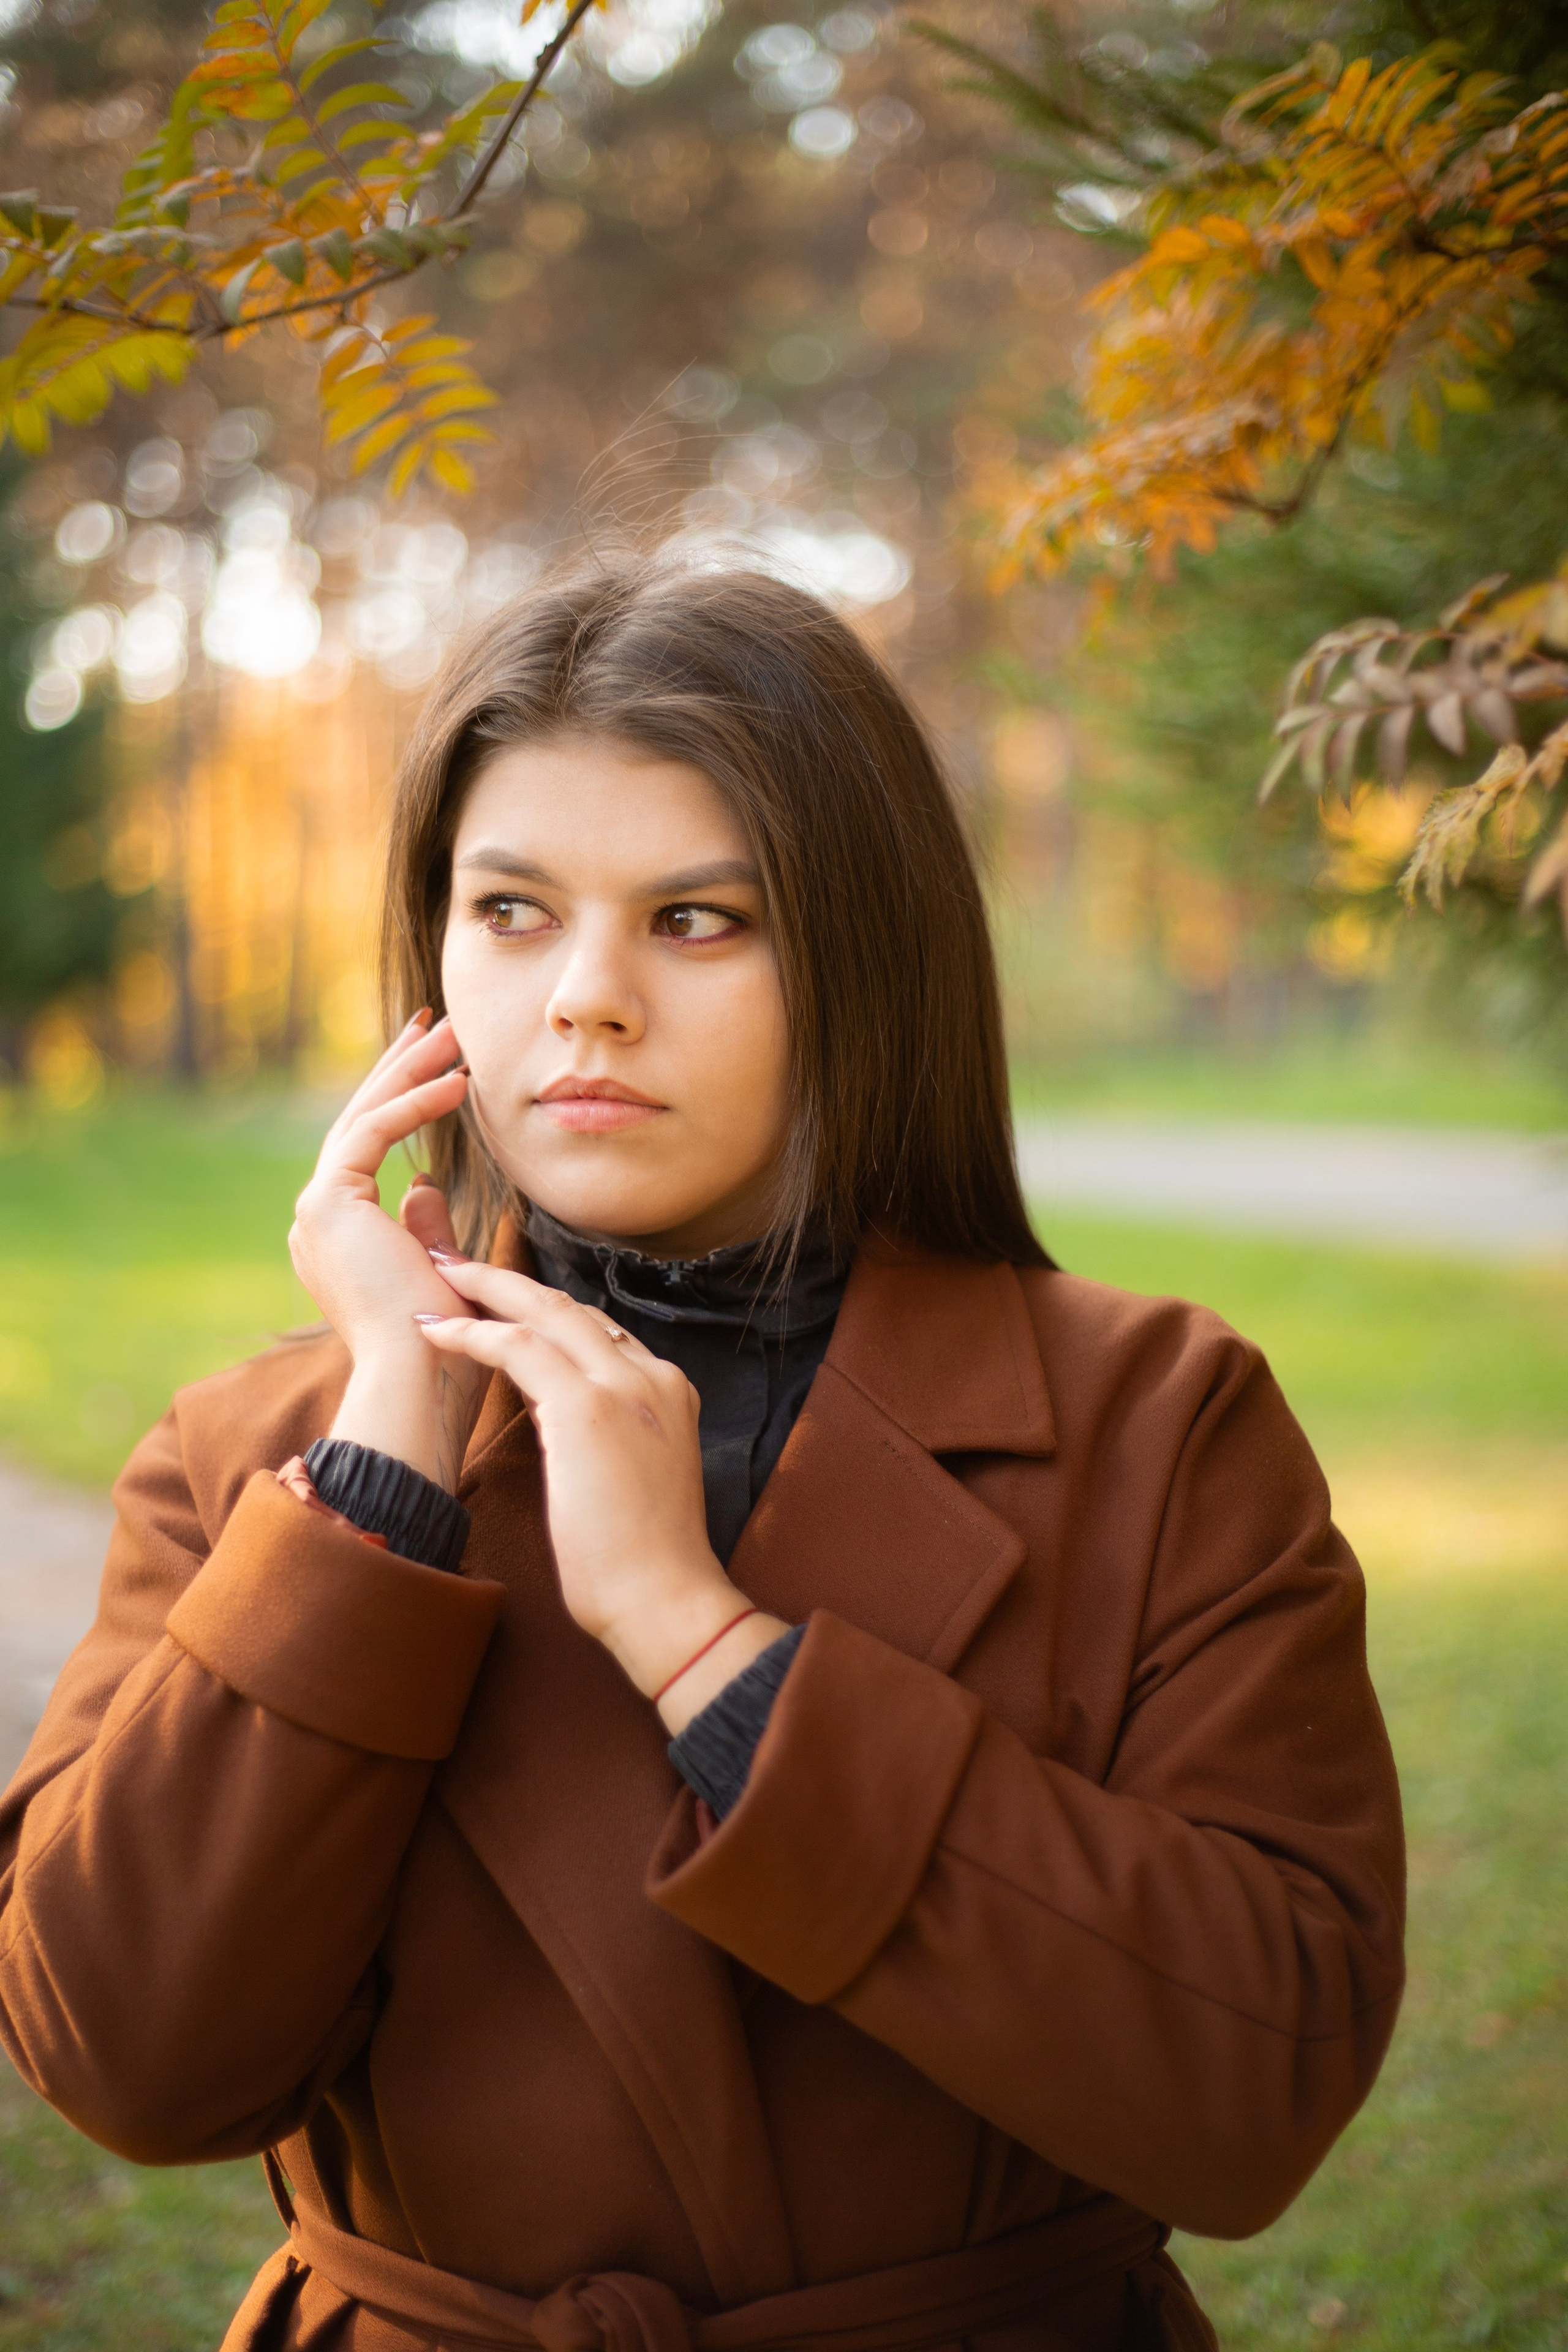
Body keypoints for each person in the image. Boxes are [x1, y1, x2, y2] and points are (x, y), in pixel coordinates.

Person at [0, 563, 1404, 2352]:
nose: (586, 999)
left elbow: (1253, 2088)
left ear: (862, 961)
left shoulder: (1156, 1421)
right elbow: (126, 2062)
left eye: (697, 919)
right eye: (512, 910)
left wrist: (699, 1639)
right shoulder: (255, 1459)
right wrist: (384, 1468)